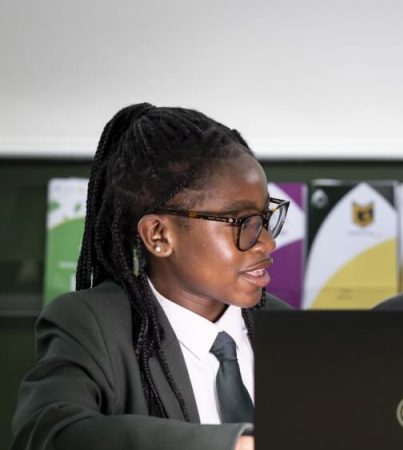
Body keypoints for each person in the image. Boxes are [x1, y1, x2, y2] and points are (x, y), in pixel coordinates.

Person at [12, 104, 292, 450]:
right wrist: (235, 445)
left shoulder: (284, 325)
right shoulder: (93, 324)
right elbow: (49, 434)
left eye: (265, 218)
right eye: (242, 222)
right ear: (159, 235)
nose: (267, 241)